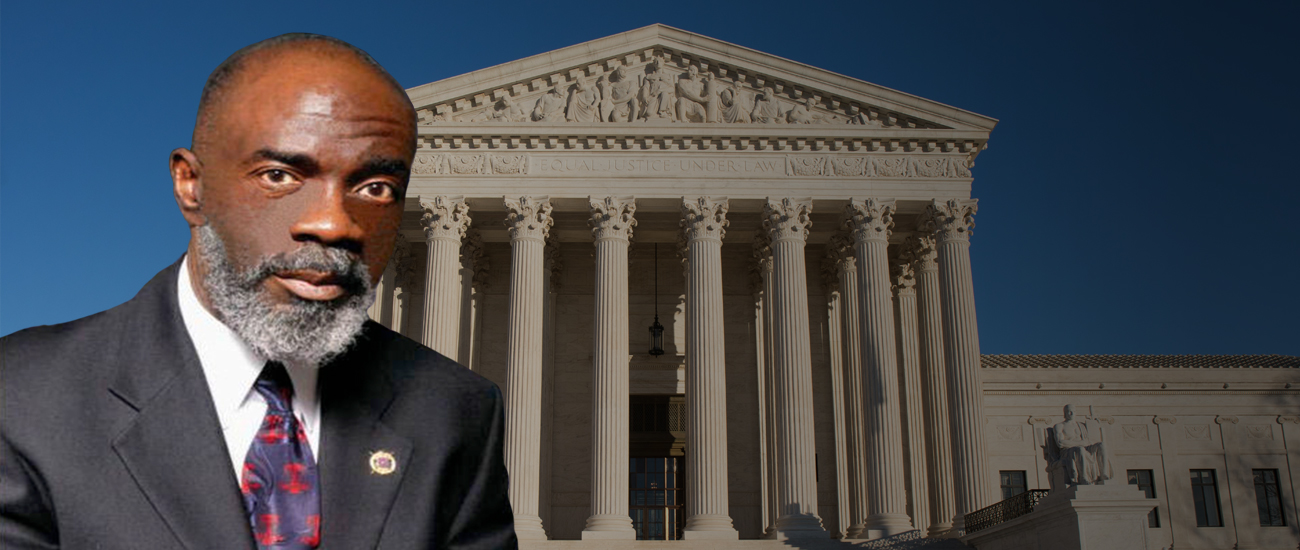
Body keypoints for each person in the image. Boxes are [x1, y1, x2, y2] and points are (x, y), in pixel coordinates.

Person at [0, 33, 517, 549]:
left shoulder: (456, 411)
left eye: (374, 188)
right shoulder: (22, 397)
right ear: (191, 186)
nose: (334, 225)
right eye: (280, 175)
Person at [1045, 404, 1113, 487]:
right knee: (1080, 449)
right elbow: (1060, 443)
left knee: (1102, 445)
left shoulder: (1081, 425)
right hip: (1067, 451)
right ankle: (1083, 478)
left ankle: (1104, 474)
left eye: (1073, 411)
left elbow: (1088, 441)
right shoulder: (1060, 426)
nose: (1071, 413)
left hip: (1084, 447)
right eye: (1069, 411)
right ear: (1065, 413)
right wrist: (1081, 443)